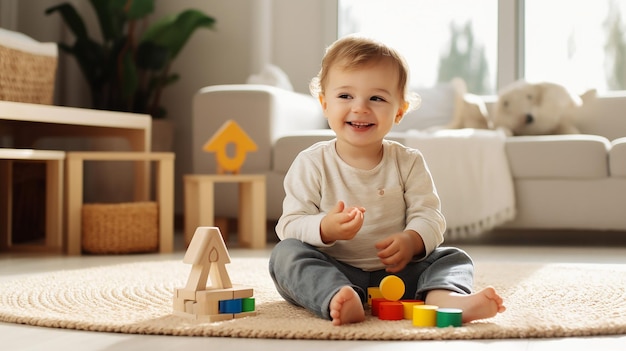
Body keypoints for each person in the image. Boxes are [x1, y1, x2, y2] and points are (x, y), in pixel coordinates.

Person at [268, 35, 505, 326]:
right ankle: (336, 296)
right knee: (285, 254)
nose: (360, 108)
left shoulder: (408, 162)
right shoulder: (311, 162)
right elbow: (289, 225)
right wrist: (324, 228)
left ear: (399, 111)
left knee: (453, 257)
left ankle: (445, 298)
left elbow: (429, 216)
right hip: (335, 268)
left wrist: (412, 241)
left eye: (376, 98)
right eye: (345, 96)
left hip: (399, 274)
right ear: (324, 103)